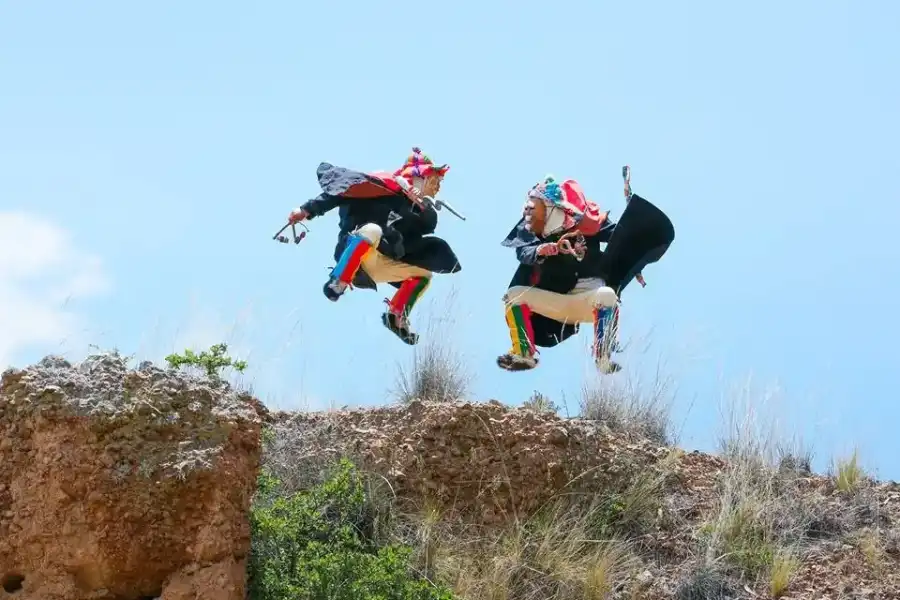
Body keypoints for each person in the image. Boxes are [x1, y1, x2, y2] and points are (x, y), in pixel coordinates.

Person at [496, 171, 674, 373]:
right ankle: (524, 354)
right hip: (555, 303)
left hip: (589, 301)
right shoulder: (538, 236)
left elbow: (622, 236)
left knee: (608, 295)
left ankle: (602, 356)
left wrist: (635, 262)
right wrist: (541, 250)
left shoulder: (591, 223)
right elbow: (524, 251)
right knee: (513, 296)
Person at [287, 148, 462, 345]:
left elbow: (415, 237)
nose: (437, 187)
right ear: (417, 178)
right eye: (433, 180)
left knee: (424, 275)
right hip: (357, 250)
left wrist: (420, 207)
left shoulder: (418, 210)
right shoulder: (380, 185)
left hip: (380, 261)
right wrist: (306, 210)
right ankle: (339, 281)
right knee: (372, 230)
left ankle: (396, 317)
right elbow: (340, 192)